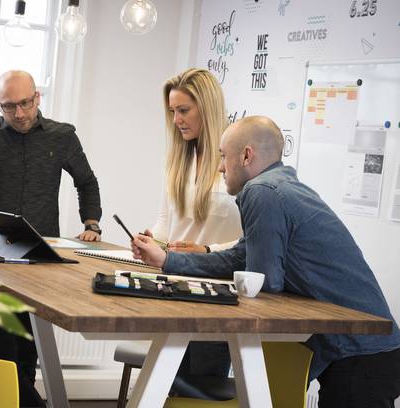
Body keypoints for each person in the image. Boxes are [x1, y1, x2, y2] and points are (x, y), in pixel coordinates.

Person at [132, 115, 400, 408]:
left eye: (224, 156)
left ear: (246, 155)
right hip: (367, 350)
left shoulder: (262, 192)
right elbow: (238, 258)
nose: (220, 167)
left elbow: (264, 281)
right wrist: (168, 259)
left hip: (361, 354)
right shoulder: (280, 186)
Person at [0, 70, 102, 407]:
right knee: (0, 350)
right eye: (8, 106)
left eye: (25, 103)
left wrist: (92, 222)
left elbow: (86, 181)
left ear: (38, 98)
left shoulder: (62, 136)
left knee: (28, 348)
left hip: (39, 258)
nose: (18, 113)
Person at [134, 68, 243, 395]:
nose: (177, 120)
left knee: (200, 388)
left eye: (184, 111)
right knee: (167, 386)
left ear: (206, 108)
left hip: (215, 292)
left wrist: (207, 250)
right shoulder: (180, 158)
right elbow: (167, 222)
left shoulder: (236, 161)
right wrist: (150, 238)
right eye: (172, 112)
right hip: (173, 287)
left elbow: (253, 239)